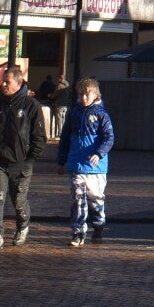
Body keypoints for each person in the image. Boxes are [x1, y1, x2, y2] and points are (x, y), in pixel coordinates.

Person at [0, 62, 46, 251]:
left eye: (7, 82)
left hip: (21, 162)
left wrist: (31, 158)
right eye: (2, 81)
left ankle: (22, 226)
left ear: (18, 83)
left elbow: (39, 136)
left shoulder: (31, 105)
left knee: (18, 200)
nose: (3, 85)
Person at [57, 78, 114, 247]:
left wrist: (99, 153)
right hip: (77, 164)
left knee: (95, 199)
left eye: (86, 94)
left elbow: (109, 137)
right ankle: (78, 232)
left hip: (96, 167)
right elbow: (65, 138)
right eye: (80, 94)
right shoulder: (74, 113)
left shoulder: (101, 114)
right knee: (77, 199)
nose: (83, 98)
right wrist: (61, 161)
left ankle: (98, 224)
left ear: (95, 95)